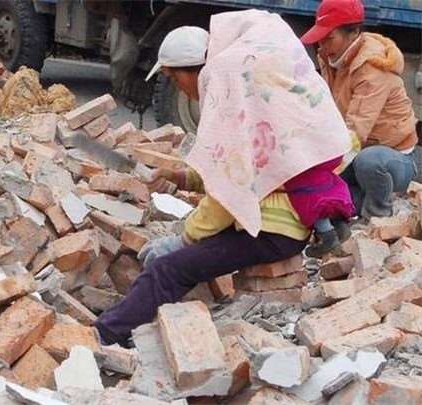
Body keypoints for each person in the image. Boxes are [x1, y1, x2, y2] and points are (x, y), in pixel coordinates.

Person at [95, 10, 353, 347]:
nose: (181, 89)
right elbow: (248, 168)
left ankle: (104, 336)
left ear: (194, 71)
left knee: (167, 269)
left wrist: (183, 239)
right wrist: (183, 178)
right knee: (184, 259)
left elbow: (227, 196)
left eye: (176, 79)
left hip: (272, 229)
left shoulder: (228, 96)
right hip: (285, 222)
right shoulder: (250, 94)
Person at [301, 0, 419, 219]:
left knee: (369, 162)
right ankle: (361, 202)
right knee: (324, 197)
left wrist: (327, 170)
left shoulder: (373, 68)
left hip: (393, 157)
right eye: (320, 40)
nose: (323, 47)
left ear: (353, 33)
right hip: (357, 152)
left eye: (329, 39)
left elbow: (355, 131)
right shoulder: (332, 58)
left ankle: (377, 219)